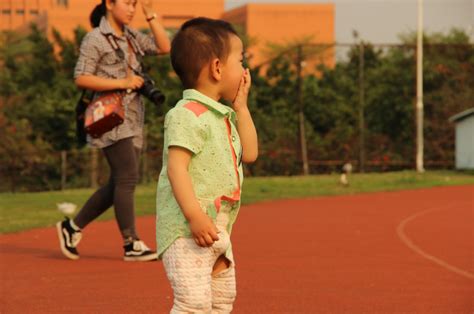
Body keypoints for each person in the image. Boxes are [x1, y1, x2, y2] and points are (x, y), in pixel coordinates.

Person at [156, 17, 258, 313]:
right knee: (194, 304)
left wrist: (241, 107)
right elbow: (177, 168)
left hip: (219, 228)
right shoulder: (186, 115)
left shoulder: (222, 116)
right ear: (216, 68)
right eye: (240, 60)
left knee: (222, 300)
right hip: (188, 228)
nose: (244, 69)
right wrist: (194, 216)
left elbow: (249, 153)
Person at [56, 0, 170, 262]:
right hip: (109, 117)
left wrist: (150, 15)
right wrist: (124, 82)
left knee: (118, 182)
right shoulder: (95, 38)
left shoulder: (131, 37)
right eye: (127, 3)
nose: (131, 9)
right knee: (128, 178)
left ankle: (72, 228)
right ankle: (131, 243)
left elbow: (164, 47)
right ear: (109, 3)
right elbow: (81, 77)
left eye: (134, 4)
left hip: (133, 116)